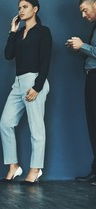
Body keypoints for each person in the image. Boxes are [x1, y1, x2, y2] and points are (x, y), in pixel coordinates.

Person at [0, 0, 52, 185]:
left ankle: (35, 169)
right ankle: (14, 167)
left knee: (36, 128)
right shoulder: (19, 33)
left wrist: (37, 87)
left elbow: (46, 61)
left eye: (25, 7)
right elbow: (8, 55)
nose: (21, 10)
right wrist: (12, 32)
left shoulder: (43, 32)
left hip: (34, 81)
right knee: (5, 123)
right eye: (19, 8)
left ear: (35, 8)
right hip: (18, 83)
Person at [67, 0, 96, 185]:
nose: (83, 15)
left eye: (85, 10)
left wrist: (83, 46)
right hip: (91, 77)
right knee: (93, 125)